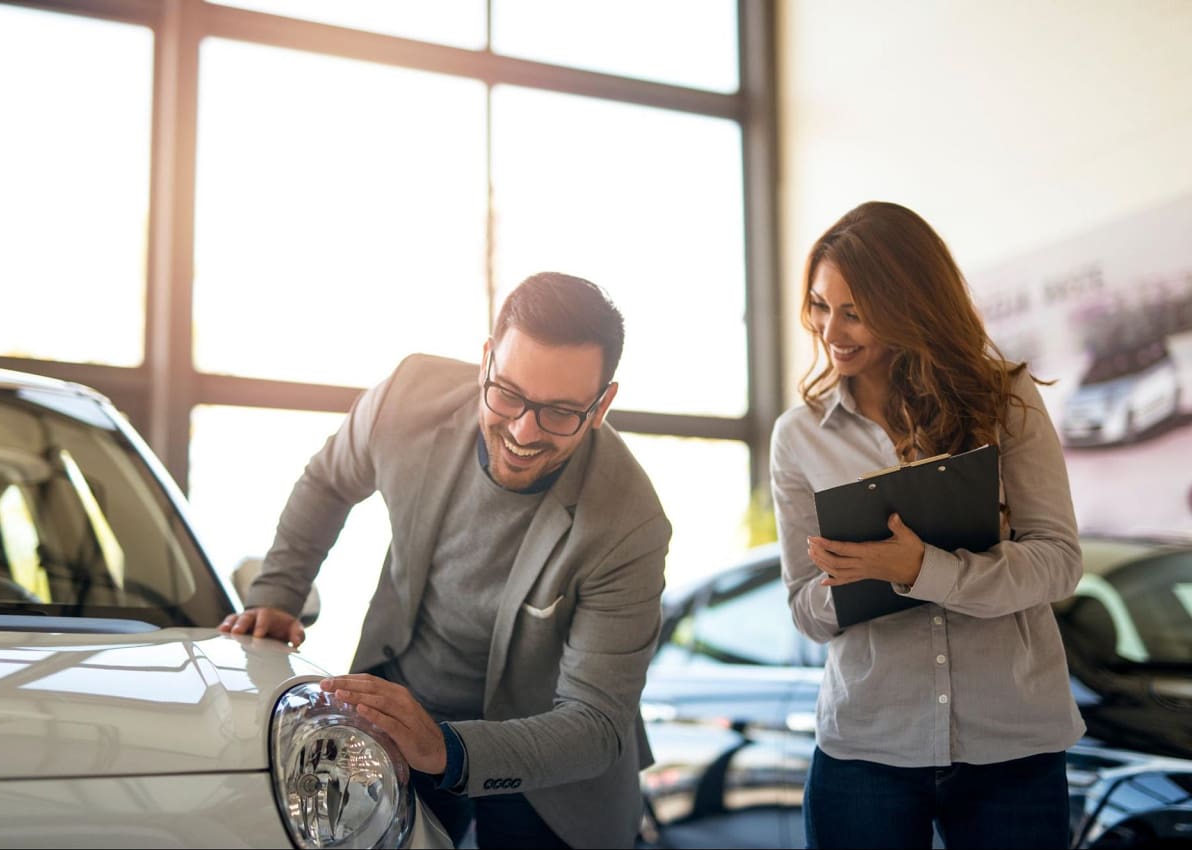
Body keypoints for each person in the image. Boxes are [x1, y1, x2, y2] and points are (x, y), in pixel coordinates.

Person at [220, 271, 671, 849]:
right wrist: (279, 592)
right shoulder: (408, 397)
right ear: (486, 361)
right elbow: (330, 481)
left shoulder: (630, 522)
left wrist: (448, 748)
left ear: (602, 404)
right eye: (507, 394)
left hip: (550, 763)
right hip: (404, 707)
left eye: (560, 412)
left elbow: (595, 724)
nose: (523, 431)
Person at [768, 201, 1086, 849]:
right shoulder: (797, 438)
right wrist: (858, 576)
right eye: (821, 306)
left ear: (912, 301)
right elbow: (805, 610)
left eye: (855, 310)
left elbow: (1058, 561)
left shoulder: (1007, 400)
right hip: (867, 749)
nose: (832, 329)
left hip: (1013, 747)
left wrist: (921, 571)